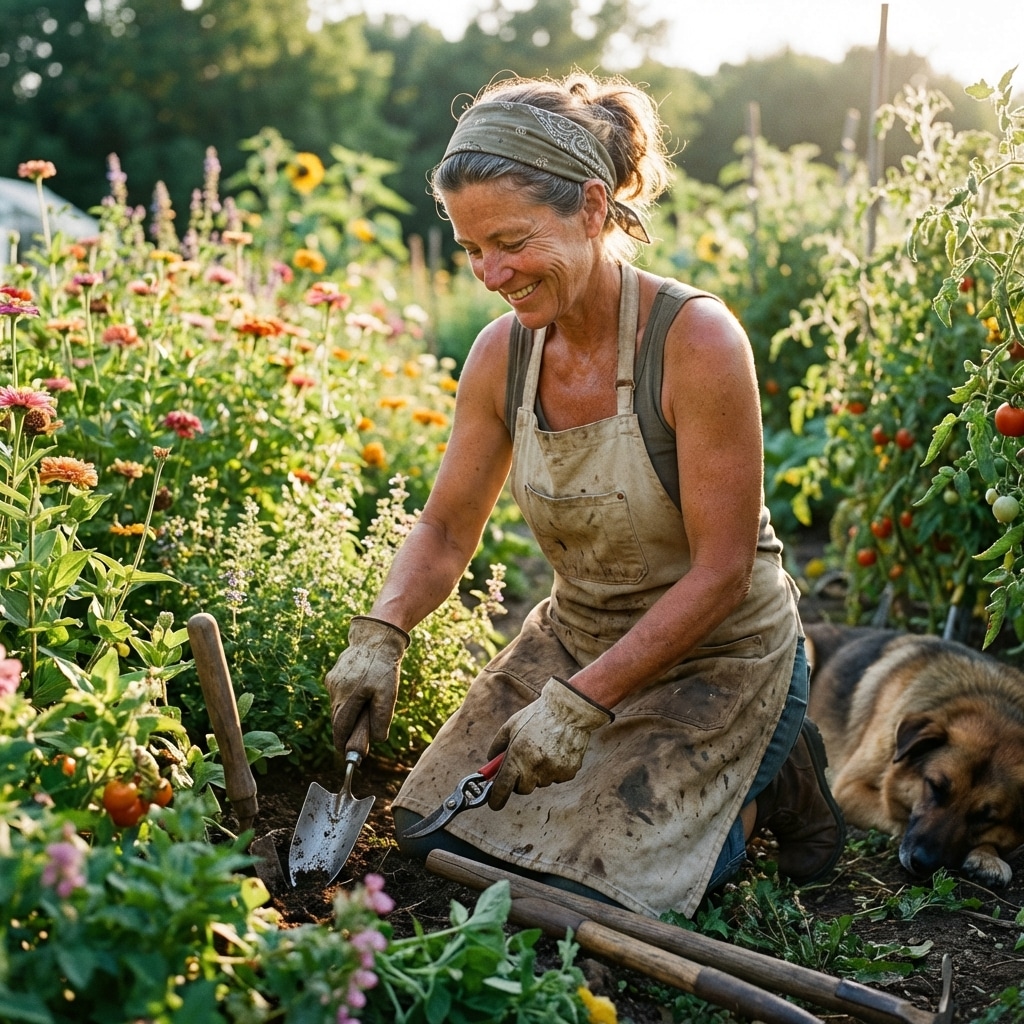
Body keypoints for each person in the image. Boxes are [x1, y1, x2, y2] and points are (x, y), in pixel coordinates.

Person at [326, 70, 845, 919]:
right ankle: (712, 772)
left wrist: (583, 706)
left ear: (594, 208)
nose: (491, 272)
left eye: (511, 241)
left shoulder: (695, 342)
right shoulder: (503, 353)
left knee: (593, 891)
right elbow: (449, 525)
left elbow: (719, 574)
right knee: (432, 836)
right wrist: (382, 630)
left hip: (717, 648)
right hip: (580, 634)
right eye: (470, 249)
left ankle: (771, 783)